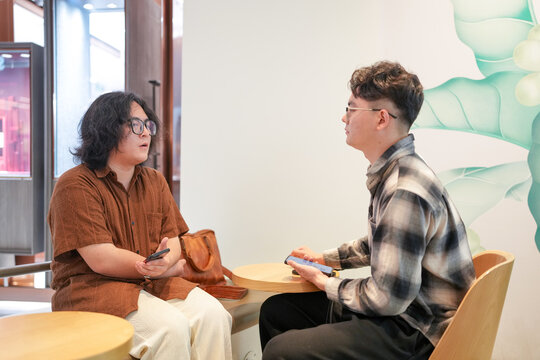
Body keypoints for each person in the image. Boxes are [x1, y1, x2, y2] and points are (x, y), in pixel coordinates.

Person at [258, 61, 476, 360]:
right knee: (278, 312)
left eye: (352, 108)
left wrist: (326, 281)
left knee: (281, 350)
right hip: (408, 315)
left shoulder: (405, 189)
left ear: (382, 118)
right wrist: (325, 259)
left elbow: (387, 298)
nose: (343, 117)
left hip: (418, 331)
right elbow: (383, 244)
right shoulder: (398, 172)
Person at [48, 91, 232, 360]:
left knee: (215, 315)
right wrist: (151, 267)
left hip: (149, 284)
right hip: (93, 290)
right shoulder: (75, 184)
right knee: (171, 329)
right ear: (106, 129)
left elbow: (176, 241)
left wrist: (164, 263)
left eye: (148, 125)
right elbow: (101, 258)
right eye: (135, 125)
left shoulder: (154, 181)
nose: (146, 133)